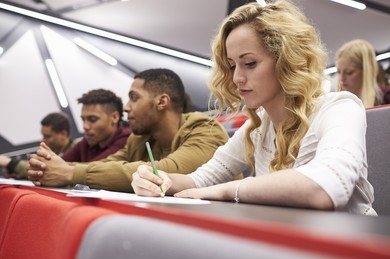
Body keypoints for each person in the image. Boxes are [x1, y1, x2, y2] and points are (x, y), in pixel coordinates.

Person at [130, 1, 376, 216]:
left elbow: (326, 188)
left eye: (249, 63)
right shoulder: (258, 125)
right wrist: (160, 180)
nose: (237, 78)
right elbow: (200, 179)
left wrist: (229, 190)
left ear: (286, 60)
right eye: (232, 65)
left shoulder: (340, 108)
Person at [27, 68, 229, 192]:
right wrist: (51, 168)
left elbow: (166, 172)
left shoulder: (206, 129)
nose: (126, 107)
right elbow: (103, 165)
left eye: (134, 98)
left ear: (161, 101)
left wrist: (68, 173)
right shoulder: (140, 139)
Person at [61, 88, 131, 162]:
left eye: (92, 119)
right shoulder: (88, 141)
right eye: (83, 120)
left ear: (114, 117)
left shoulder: (127, 139)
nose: (85, 126)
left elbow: (95, 169)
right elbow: (61, 163)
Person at [0, 112, 75, 179]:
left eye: (47, 136)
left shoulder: (77, 151)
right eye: (43, 136)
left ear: (63, 134)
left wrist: (10, 163)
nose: (42, 140)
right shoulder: (53, 153)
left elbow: (51, 171)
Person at [335, 39, 383, 108]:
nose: (341, 78)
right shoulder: (336, 105)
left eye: (349, 72)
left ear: (366, 71)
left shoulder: (385, 99)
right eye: (338, 72)